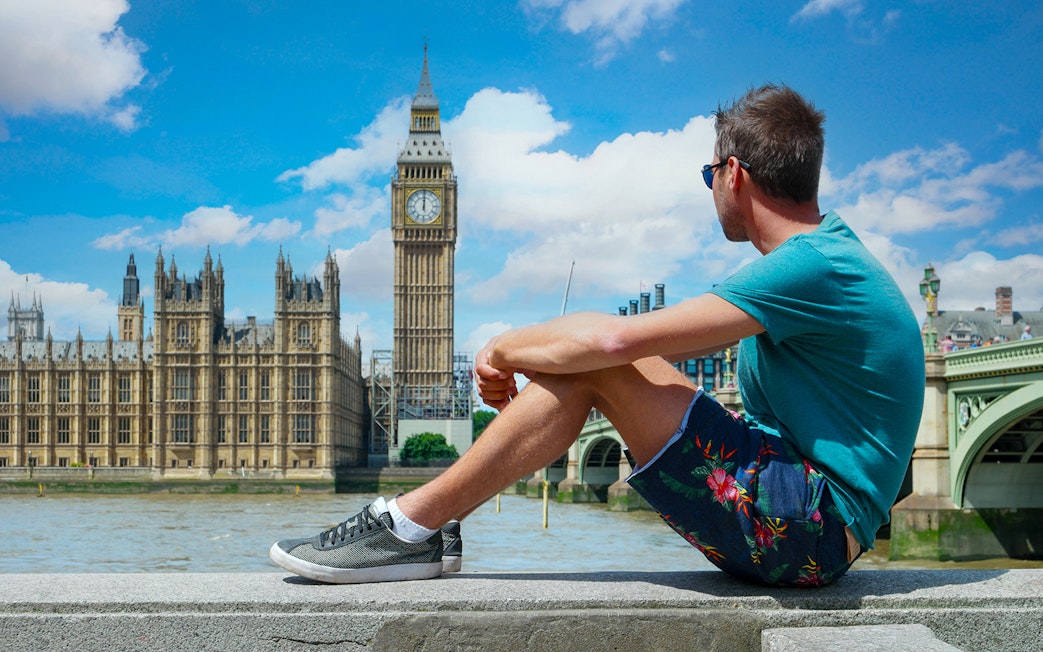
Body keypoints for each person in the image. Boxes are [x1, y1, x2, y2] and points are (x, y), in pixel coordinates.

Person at [269, 84, 925, 588]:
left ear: (733, 174)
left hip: (805, 534)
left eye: (707, 177)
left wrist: (501, 350)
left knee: (596, 360)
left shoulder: (810, 265)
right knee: (596, 354)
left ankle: (410, 527)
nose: (710, 191)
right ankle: (431, 527)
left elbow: (614, 345)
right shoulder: (824, 260)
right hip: (801, 511)